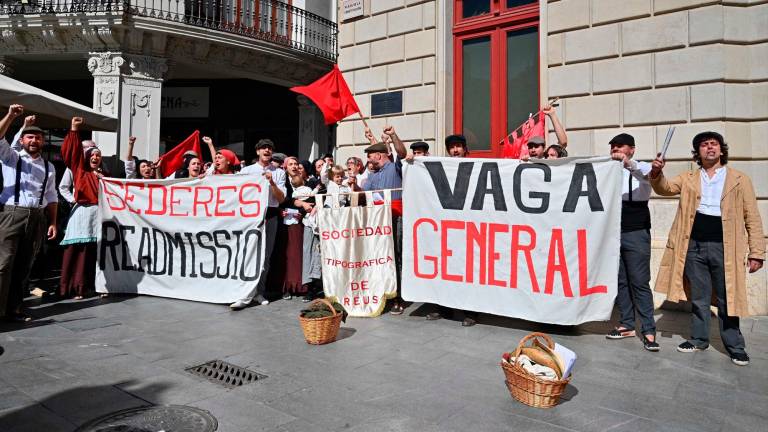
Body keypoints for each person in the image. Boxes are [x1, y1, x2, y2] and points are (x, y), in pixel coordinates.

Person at [649, 131, 765, 366]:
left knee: (727, 297)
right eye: (704, 145)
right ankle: (699, 339)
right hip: (694, 246)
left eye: (714, 144)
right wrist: (657, 172)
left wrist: (757, 252)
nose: (710, 148)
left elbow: (752, 216)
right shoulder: (690, 177)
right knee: (699, 297)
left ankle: (735, 345)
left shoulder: (739, 179)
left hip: (726, 248)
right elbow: (665, 188)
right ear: (697, 153)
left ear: (721, 150)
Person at [0, 104, 58, 321]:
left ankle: (14, 309)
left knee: (24, 266)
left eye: (38, 138)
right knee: (3, 264)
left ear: (43, 142)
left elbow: (51, 197)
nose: (34, 141)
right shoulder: (11, 158)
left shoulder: (49, 167)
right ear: (22, 141)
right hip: (11, 214)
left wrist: (52, 222)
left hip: (37, 217)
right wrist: (11, 116)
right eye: (30, 137)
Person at [604, 133, 658, 351]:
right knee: (621, 280)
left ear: (632, 149)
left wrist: (628, 163)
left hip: (636, 230)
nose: (616, 150)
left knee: (639, 281)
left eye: (620, 146)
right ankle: (627, 324)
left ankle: (648, 329)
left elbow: (650, 173)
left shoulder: (641, 167)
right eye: (613, 146)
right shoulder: (608, 169)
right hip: (613, 230)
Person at [424, 134, 478, 327]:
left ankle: (470, 311)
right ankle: (443, 307)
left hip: (467, 229)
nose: (455, 150)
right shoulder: (442, 167)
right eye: (452, 147)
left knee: (467, 270)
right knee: (445, 269)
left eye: (458, 147)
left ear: (465, 149)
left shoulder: (475, 168)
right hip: (446, 228)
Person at [233, 138, 286, 309]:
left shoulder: (279, 173)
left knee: (265, 256)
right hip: (250, 216)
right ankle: (243, 290)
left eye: (270, 148)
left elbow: (281, 198)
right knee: (247, 253)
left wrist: (271, 183)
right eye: (263, 148)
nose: (267, 150)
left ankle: (258, 291)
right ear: (257, 152)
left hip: (269, 216)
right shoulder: (246, 171)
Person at [59, 117, 105, 300]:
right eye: (92, 155)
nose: (95, 158)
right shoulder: (78, 170)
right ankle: (73, 288)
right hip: (81, 212)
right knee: (78, 251)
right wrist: (74, 130)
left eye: (98, 156)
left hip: (98, 215)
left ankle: (90, 286)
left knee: (92, 252)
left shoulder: (104, 174)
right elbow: (71, 154)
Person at [362, 126, 407, 314]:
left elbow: (402, 152)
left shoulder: (395, 167)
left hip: (395, 218)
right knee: (380, 258)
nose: (368, 159)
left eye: (370, 155)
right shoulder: (373, 176)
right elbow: (363, 195)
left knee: (396, 256)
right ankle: (384, 292)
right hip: (377, 222)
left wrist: (393, 135)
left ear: (379, 156)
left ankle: (399, 297)